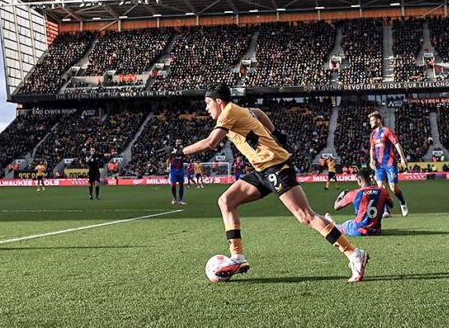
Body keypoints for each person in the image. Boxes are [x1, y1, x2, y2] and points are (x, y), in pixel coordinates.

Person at [182, 83, 368, 283]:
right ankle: (237, 257)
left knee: (305, 216)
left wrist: (181, 151)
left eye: (208, 103)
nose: (207, 108)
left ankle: (354, 254)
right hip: (263, 169)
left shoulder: (228, 112)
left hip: (276, 166)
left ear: (219, 102)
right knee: (226, 201)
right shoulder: (239, 111)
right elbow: (259, 113)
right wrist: (275, 133)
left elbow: (211, 142)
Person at [324, 167, 392, 237]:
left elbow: (336, 207)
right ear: (370, 179)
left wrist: (341, 195)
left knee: (346, 225)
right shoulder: (382, 191)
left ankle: (333, 224)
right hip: (376, 231)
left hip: (358, 230)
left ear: (359, 180)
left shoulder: (354, 193)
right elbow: (391, 205)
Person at [367, 111, 409, 216]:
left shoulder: (387, 131)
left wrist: (403, 159)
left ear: (378, 120)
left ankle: (403, 203)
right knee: (381, 188)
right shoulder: (372, 135)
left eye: (372, 120)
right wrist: (372, 159)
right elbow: (372, 149)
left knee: (393, 187)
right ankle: (386, 210)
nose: (370, 123)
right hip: (379, 165)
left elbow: (397, 144)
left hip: (390, 163)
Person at [168, 139, 186, 205]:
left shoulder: (183, 150)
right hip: (173, 169)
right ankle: (174, 197)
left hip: (180, 169)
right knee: (173, 185)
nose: (179, 143)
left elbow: (187, 156)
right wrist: (167, 167)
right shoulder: (172, 149)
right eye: (177, 142)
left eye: (180, 142)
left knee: (181, 185)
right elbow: (169, 159)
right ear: (175, 142)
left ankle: (180, 200)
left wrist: (183, 150)